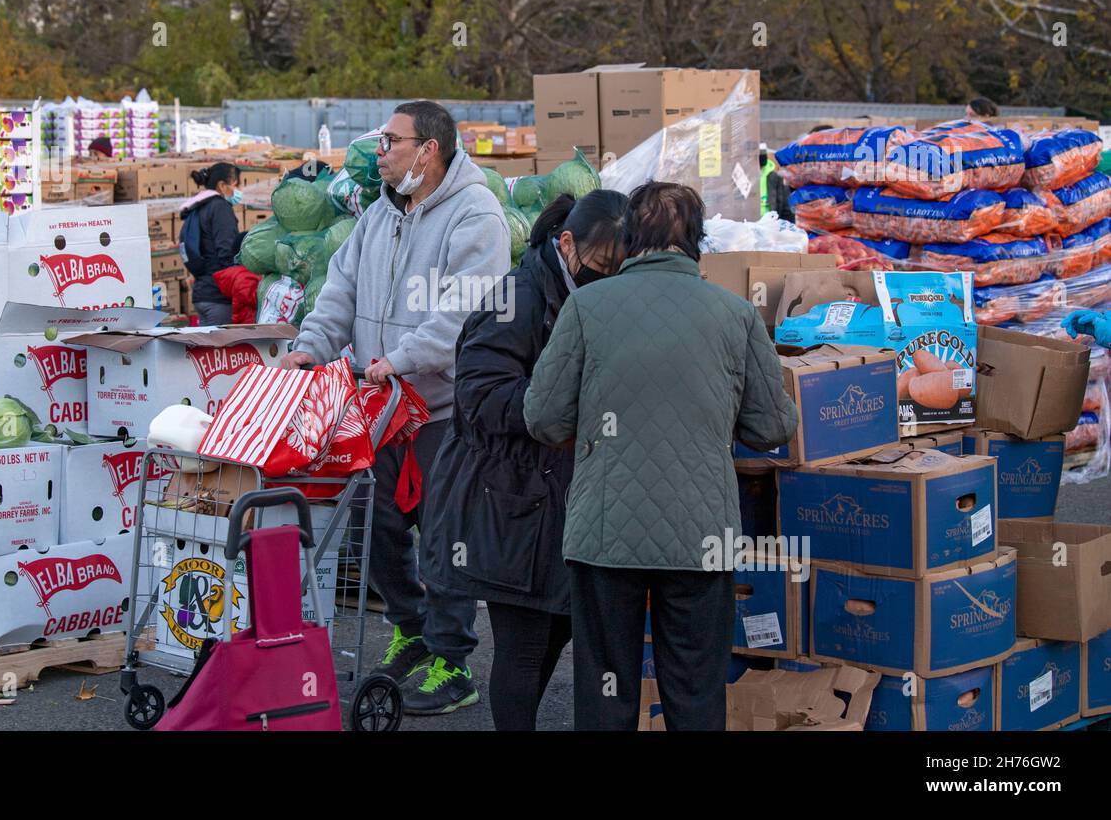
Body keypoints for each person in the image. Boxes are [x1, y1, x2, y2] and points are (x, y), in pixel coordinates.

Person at [523, 181, 800, 731]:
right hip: (702, 536)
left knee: (607, 690)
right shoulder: (736, 314)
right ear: (697, 242)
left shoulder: (586, 307)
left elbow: (543, 418)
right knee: (695, 690)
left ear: (629, 240)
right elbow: (773, 425)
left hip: (606, 535)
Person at [279, 100, 511, 715]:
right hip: (378, 405)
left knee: (442, 535)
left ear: (428, 150)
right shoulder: (379, 215)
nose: (379, 152)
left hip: (440, 408)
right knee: (375, 526)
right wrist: (309, 349)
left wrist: (403, 357)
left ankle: (452, 662)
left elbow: (465, 311)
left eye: (390, 141)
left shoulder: (475, 214)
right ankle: (411, 631)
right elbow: (339, 289)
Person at [421, 189, 629, 731]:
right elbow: (479, 394)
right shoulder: (518, 296)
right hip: (504, 498)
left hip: (552, 498)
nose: (607, 278)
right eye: (601, 266)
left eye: (618, 269)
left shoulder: (577, 291)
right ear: (566, 244)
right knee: (525, 642)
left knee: (555, 630)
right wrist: (558, 410)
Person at [179, 162, 243, 326]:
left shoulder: (197, 207)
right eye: (235, 185)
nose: (238, 191)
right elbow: (226, 252)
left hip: (202, 293)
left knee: (207, 350)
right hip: (218, 296)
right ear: (222, 185)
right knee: (219, 349)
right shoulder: (220, 208)